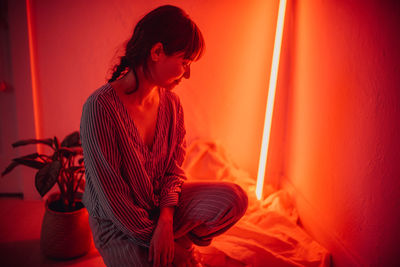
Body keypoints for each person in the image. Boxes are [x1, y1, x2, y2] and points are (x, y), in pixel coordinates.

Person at [80, 5, 248, 267]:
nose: (188, 73)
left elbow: (174, 172)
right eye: (185, 62)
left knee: (235, 198)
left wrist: (166, 221)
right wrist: (160, 243)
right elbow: (114, 201)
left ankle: (177, 243)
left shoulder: (172, 105)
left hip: (162, 211)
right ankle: (175, 248)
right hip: (118, 226)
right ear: (157, 51)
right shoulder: (99, 108)